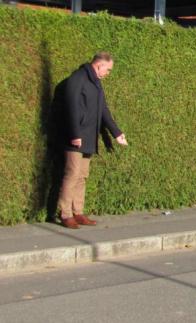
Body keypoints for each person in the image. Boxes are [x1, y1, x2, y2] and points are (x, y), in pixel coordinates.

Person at [58, 52, 128, 229]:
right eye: (108, 69)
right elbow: (71, 107)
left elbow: (103, 110)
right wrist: (75, 134)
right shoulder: (77, 78)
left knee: (82, 176)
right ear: (99, 65)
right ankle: (65, 214)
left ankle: (78, 212)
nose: (108, 73)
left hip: (89, 137)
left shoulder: (96, 83)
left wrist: (117, 133)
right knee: (72, 174)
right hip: (75, 137)